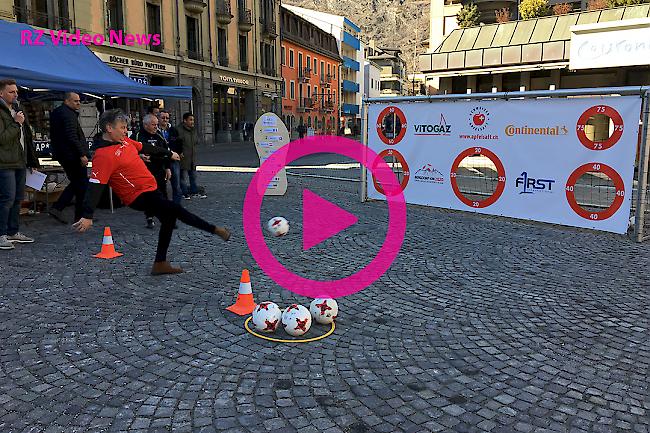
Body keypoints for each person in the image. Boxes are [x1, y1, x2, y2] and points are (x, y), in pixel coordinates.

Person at [73, 109, 231, 275]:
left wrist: (169, 153)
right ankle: (216, 230)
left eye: (126, 127)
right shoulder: (103, 155)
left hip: (150, 189)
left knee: (169, 219)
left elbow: (146, 147)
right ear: (109, 128)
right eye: (122, 127)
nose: (125, 131)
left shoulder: (125, 141)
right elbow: (95, 185)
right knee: (175, 209)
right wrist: (87, 215)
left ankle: (160, 263)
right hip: (137, 196)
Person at [0, 78, 40, 250]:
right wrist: (16, 123)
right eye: (11, 91)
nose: (16, 94)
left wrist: (32, 160)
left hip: (19, 161)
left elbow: (27, 139)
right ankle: (1, 234)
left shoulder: (18, 109)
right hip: (4, 162)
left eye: (16, 91)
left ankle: (13, 231)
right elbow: (2, 138)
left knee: (17, 198)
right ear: (1, 93)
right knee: (6, 199)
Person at [49, 92, 88, 224]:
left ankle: (64, 210)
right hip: (71, 155)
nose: (79, 103)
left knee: (78, 183)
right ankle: (65, 210)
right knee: (81, 184)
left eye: (79, 101)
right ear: (67, 101)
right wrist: (82, 154)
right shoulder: (67, 114)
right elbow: (72, 136)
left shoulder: (59, 112)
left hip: (65, 154)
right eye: (76, 101)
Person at [133, 114, 170, 229]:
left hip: (159, 170)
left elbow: (166, 153)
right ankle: (149, 217)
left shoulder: (159, 136)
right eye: (153, 125)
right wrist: (139, 155)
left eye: (156, 125)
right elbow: (128, 151)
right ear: (145, 125)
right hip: (145, 172)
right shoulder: (138, 136)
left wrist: (168, 168)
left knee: (163, 194)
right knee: (148, 194)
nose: (156, 127)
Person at [169, 112, 206, 200]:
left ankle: (193, 191)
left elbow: (196, 141)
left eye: (193, 120)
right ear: (185, 120)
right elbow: (175, 143)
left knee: (193, 176)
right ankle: (184, 193)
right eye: (190, 120)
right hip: (182, 157)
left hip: (192, 158)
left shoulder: (193, 130)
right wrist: (179, 152)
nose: (192, 122)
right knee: (182, 177)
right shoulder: (178, 130)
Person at [158, 110, 182, 205]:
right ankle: (163, 205)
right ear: (158, 118)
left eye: (167, 118)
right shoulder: (155, 130)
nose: (165, 120)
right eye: (163, 117)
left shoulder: (173, 130)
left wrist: (178, 153)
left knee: (176, 184)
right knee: (161, 185)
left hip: (173, 160)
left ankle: (176, 206)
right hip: (160, 160)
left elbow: (179, 142)